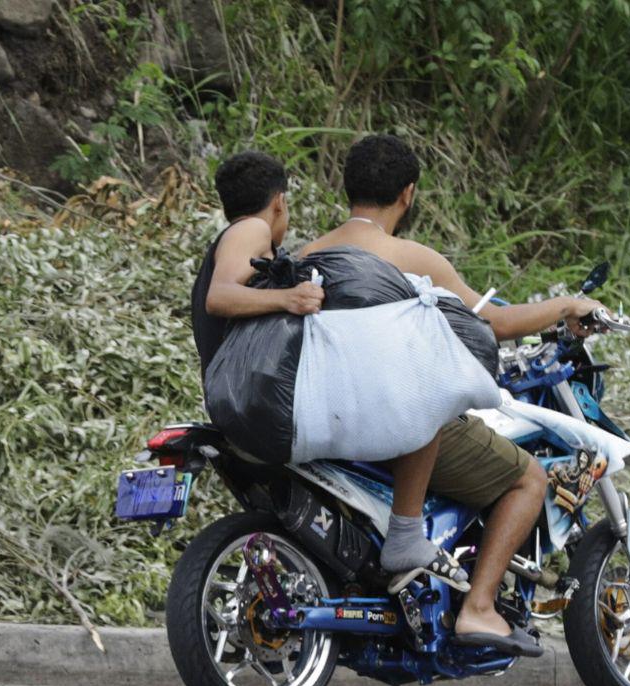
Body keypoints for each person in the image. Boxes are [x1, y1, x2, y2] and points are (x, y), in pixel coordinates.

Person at [300, 134, 608, 656]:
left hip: (324, 420)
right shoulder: (411, 257)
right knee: (528, 480)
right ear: (408, 193)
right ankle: (480, 607)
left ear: (346, 188)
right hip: (391, 424)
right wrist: (566, 306)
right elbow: (495, 323)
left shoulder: (308, 254)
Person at [191, 150, 468, 590]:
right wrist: (288, 298)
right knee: (422, 402)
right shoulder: (252, 229)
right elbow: (221, 295)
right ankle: (406, 533)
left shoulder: (236, 238)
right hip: (259, 400)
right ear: (279, 202)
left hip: (235, 401)